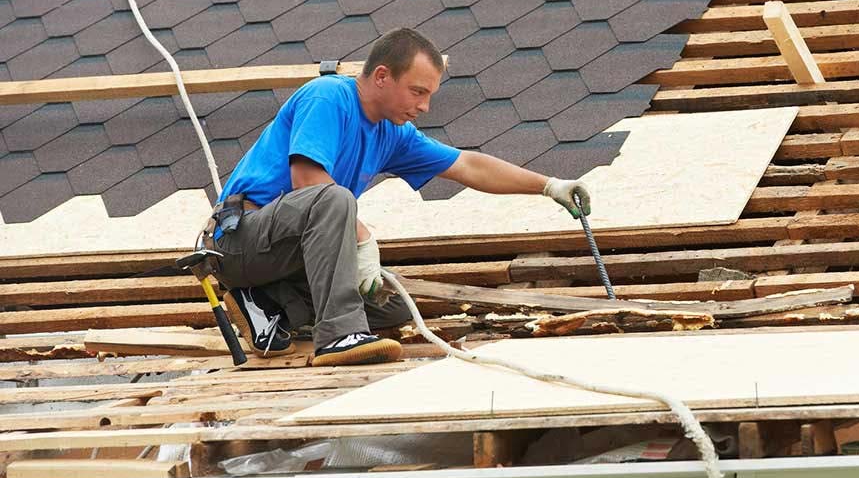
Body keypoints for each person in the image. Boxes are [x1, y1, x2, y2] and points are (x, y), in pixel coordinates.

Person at [201, 28, 590, 367]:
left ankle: (268, 303)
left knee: (391, 304)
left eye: (429, 95)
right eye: (417, 91)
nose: (424, 106)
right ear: (383, 76)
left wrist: (549, 185)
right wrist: (364, 239)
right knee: (334, 199)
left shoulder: (392, 132)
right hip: (238, 241)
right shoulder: (328, 96)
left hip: (284, 254)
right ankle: (338, 336)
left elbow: (467, 166)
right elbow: (308, 182)